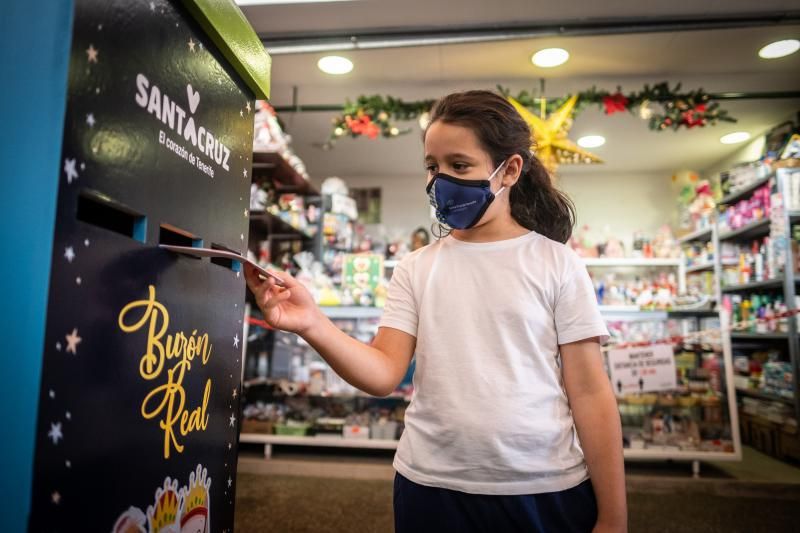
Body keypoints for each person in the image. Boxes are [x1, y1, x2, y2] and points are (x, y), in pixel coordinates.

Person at [245, 90, 627, 533]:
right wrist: (311, 323)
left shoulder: (557, 263)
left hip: (543, 487)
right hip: (430, 486)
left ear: (510, 170)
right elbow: (384, 372)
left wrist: (614, 516)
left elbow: (590, 393)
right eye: (432, 166)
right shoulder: (416, 267)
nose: (439, 180)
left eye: (459, 166)